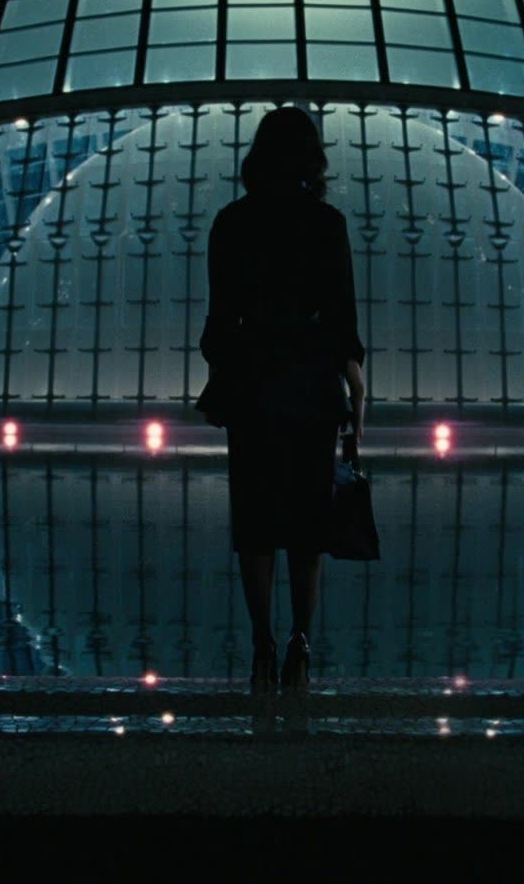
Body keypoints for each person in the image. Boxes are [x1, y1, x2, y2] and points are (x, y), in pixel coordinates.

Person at [197, 106, 366, 693]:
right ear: (311, 158)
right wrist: (354, 391)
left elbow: (220, 321)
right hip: (312, 384)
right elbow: (341, 318)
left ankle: (262, 645)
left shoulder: (232, 222)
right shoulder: (327, 223)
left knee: (256, 522)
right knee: (307, 525)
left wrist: (224, 372)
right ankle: (300, 644)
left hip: (252, 385)